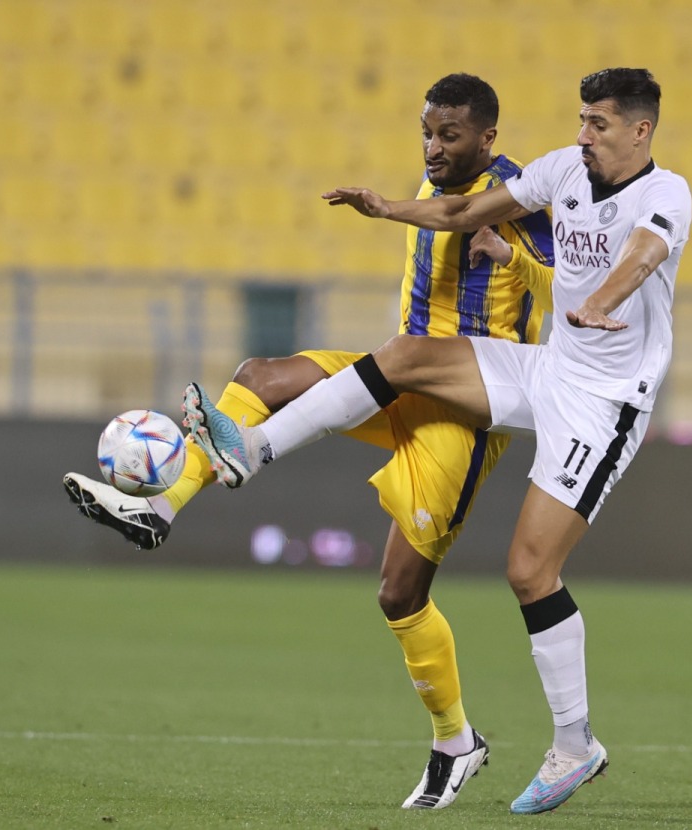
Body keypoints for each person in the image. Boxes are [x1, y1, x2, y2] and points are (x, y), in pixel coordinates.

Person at [182, 67, 692, 815]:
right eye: (582, 120)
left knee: (528, 571)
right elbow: (462, 212)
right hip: (550, 369)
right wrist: (386, 208)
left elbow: (643, 255)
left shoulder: (665, 193)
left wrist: (599, 305)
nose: (583, 135)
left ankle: (575, 744)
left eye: (600, 125)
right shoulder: (561, 170)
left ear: (640, 132)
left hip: (606, 405)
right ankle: (251, 452)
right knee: (407, 355)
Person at [63, 73, 556, 810]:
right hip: (394, 381)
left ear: (487, 137)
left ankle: (456, 741)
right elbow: (439, 211)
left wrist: (511, 259)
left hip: (462, 414)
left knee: (399, 593)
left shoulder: (520, 197)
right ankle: (161, 506)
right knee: (261, 376)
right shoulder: (430, 181)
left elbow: (562, 293)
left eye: (449, 135)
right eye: (426, 131)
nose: (433, 146)